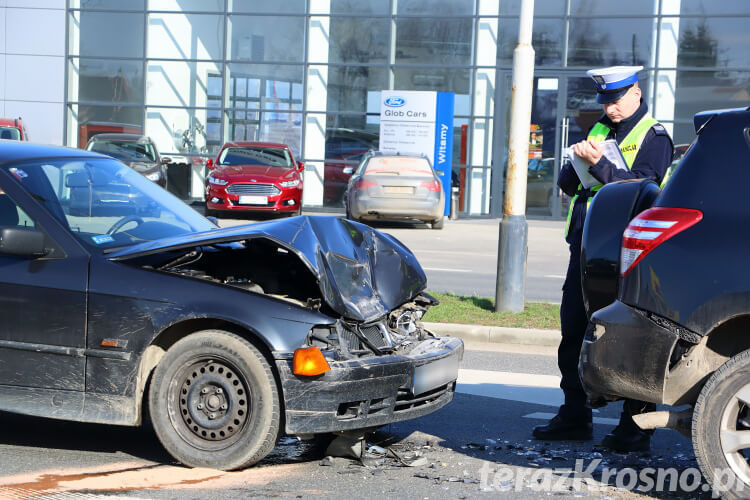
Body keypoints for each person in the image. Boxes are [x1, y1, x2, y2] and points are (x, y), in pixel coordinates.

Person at [532, 66, 673, 452]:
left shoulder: (655, 136)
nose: (608, 108)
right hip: (586, 248)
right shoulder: (598, 130)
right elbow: (567, 183)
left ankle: (635, 426)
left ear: (635, 94)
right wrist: (577, 162)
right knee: (573, 331)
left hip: (629, 254)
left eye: (615, 100)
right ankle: (575, 414)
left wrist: (598, 165)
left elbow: (641, 192)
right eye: (605, 101)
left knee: (632, 337)